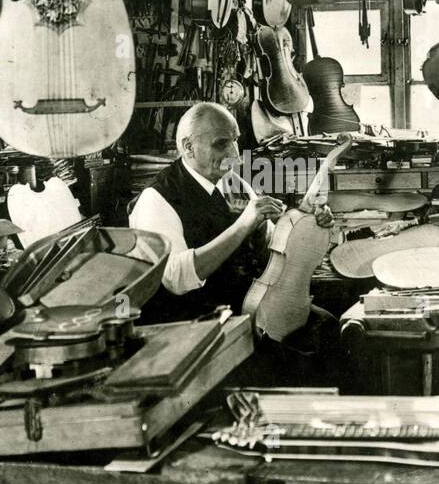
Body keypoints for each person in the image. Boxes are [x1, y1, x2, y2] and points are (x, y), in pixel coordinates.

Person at [129, 103, 337, 382]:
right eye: (221, 144)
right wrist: (243, 224)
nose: (234, 154)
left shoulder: (233, 182)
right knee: (298, 365)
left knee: (328, 327)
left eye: (236, 141)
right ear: (188, 147)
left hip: (250, 309)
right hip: (199, 326)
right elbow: (176, 278)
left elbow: (272, 243)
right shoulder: (157, 200)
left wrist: (305, 219)